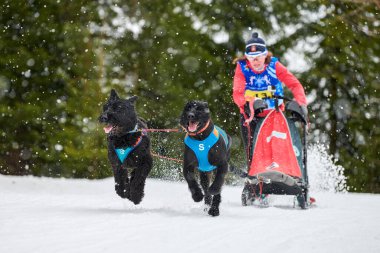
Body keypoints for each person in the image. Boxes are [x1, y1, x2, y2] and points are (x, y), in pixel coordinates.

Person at [232, 32, 308, 159]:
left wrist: (301, 102)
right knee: (253, 152)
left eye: (259, 56)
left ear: (265, 55)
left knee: (277, 149)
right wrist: (246, 103)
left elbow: (294, 84)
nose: (255, 61)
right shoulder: (242, 68)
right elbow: (237, 93)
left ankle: (285, 171)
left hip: (275, 114)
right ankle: (254, 175)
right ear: (246, 57)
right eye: (251, 58)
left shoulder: (274, 66)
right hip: (251, 116)